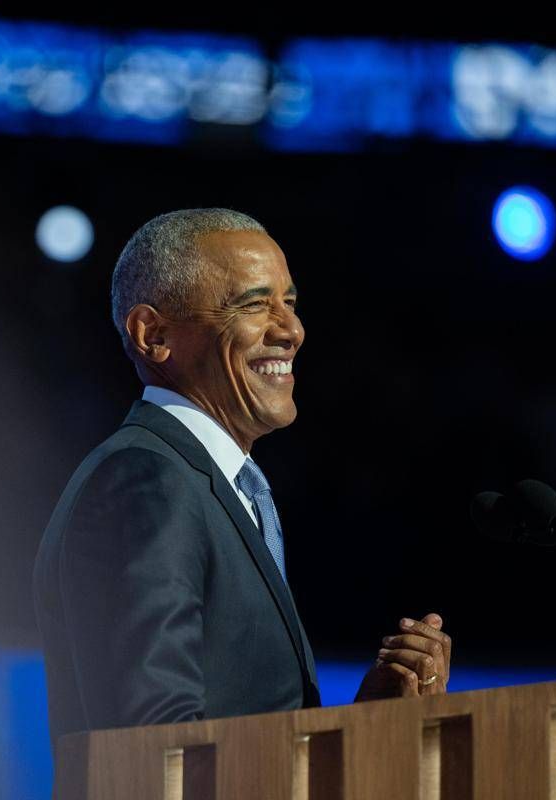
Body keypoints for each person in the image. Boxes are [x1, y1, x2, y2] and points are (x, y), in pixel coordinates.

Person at [32, 208, 452, 746]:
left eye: (290, 303)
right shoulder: (146, 482)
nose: (292, 330)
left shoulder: (211, 484)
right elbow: (158, 751)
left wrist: (364, 729)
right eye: (254, 304)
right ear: (153, 335)